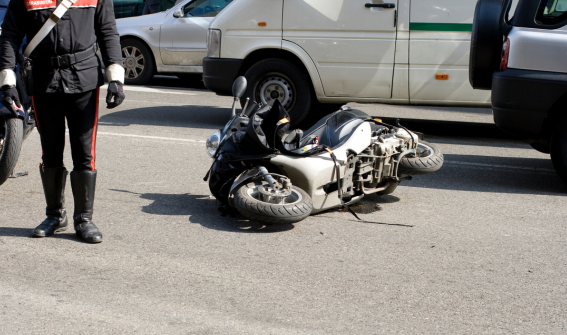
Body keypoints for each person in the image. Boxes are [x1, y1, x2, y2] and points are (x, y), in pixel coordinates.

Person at [0, 0, 126, 243]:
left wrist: (116, 77)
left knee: (84, 153)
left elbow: (108, 30)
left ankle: (84, 219)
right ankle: (55, 215)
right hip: (44, 80)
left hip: (85, 79)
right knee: (50, 152)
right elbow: (10, 35)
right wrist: (7, 81)